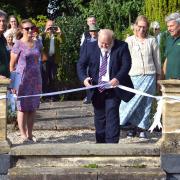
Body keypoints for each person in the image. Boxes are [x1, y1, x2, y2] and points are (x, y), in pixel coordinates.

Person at [77, 29, 134, 143]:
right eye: (101, 43)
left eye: (106, 44)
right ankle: (101, 143)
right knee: (99, 117)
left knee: (112, 114)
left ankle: (112, 145)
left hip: (113, 88)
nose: (103, 46)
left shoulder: (122, 46)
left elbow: (126, 65)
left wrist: (117, 78)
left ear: (112, 40)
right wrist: (84, 79)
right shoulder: (89, 47)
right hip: (97, 89)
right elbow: (80, 64)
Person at [119, 15, 161, 138]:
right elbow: (125, 61)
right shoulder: (129, 40)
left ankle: (142, 128)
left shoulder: (152, 40)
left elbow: (157, 61)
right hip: (133, 76)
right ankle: (130, 128)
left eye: (144, 27)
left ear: (147, 27)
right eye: (139, 26)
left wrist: (158, 78)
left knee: (145, 104)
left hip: (149, 76)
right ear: (135, 26)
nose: (142, 29)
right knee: (131, 103)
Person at [9, 19, 42, 143]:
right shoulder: (18, 44)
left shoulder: (38, 43)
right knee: (22, 108)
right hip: (22, 80)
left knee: (32, 107)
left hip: (36, 79)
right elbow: (12, 65)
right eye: (27, 28)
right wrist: (13, 83)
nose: (30, 30)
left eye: (31, 28)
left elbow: (40, 58)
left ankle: (30, 134)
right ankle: (22, 135)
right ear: (22, 30)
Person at [41, 19, 63, 101]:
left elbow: (63, 41)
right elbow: (40, 41)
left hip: (54, 58)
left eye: (52, 26)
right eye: (49, 26)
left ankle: (53, 96)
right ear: (46, 26)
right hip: (45, 59)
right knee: (45, 78)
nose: (50, 28)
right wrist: (45, 32)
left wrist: (59, 32)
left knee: (53, 77)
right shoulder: (43, 35)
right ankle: (45, 96)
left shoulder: (56, 35)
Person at [80, 24, 99, 104]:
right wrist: (83, 62)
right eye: (91, 31)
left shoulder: (100, 40)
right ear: (89, 32)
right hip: (88, 63)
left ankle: (96, 96)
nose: (93, 33)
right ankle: (89, 97)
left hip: (97, 63)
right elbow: (82, 51)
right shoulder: (87, 40)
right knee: (88, 80)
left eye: (94, 31)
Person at [163, 12, 180, 79]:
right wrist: (163, 76)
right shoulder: (168, 39)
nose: (169, 29)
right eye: (168, 26)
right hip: (169, 81)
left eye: (171, 26)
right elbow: (167, 59)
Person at [0, 10, 10, 79]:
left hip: (5, 80)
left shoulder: (3, 38)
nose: (2, 23)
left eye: (3, 21)